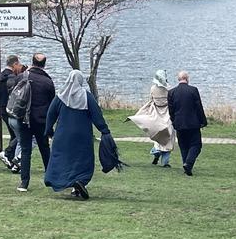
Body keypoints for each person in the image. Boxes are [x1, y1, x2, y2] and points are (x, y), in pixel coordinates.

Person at [42, 70, 112, 199]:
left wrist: (48, 130)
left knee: (62, 159)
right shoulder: (87, 97)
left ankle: (66, 182)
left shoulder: (61, 97)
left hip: (63, 136)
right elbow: (97, 115)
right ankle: (79, 182)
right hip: (82, 136)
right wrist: (104, 130)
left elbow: (50, 114)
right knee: (82, 160)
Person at [17, 53, 55, 191]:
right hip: (41, 120)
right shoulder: (47, 82)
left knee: (25, 150)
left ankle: (24, 182)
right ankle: (51, 178)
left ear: (32, 62)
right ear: (44, 64)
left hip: (24, 119)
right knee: (45, 149)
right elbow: (52, 104)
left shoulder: (22, 77)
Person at [129, 70, 174, 167]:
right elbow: (172, 101)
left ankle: (156, 150)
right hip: (167, 113)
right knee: (168, 135)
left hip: (156, 113)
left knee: (157, 132)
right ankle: (165, 162)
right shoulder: (169, 89)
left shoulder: (153, 88)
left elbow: (151, 100)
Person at [168, 71, 208, 176]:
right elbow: (199, 107)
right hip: (193, 123)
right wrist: (203, 121)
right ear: (187, 79)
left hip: (179, 123)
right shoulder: (193, 90)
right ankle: (188, 164)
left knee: (183, 145)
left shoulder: (171, 92)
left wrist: (174, 121)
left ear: (178, 79)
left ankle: (186, 165)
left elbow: (171, 110)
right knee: (196, 145)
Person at [0, 55, 21, 169]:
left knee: (14, 135)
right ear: (14, 64)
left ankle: (10, 159)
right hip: (11, 108)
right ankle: (7, 154)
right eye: (18, 64)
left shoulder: (0, 77)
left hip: (2, 107)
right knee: (19, 135)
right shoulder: (12, 78)